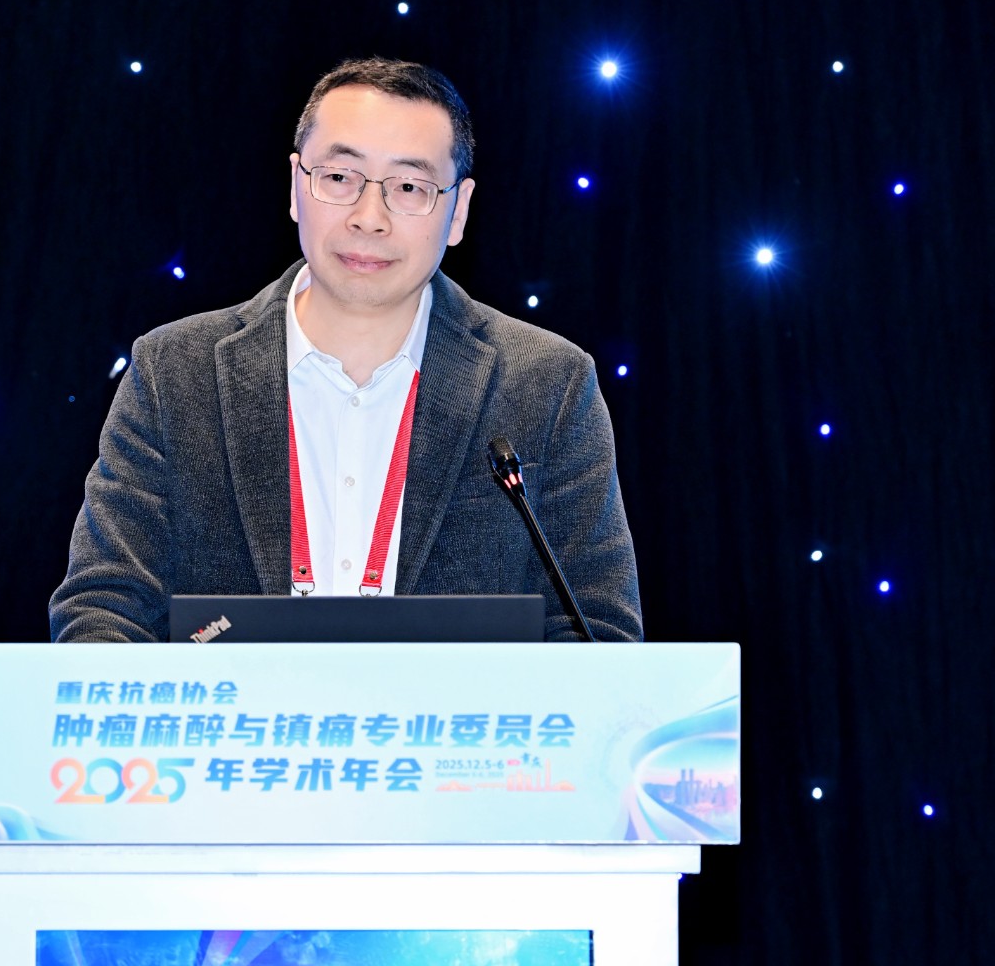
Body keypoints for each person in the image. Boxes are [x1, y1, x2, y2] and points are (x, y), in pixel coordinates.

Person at [48, 57, 641, 642]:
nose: (368, 218)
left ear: (458, 210)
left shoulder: (549, 384)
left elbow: (597, 633)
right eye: (339, 178)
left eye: (408, 187)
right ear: (296, 186)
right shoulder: (175, 371)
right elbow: (103, 609)